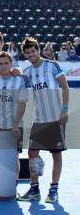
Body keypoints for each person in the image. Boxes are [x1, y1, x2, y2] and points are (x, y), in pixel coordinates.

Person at [17, 37, 70, 203]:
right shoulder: (28, 73)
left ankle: (54, 189)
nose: (31, 54)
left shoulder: (52, 66)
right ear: (25, 55)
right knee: (32, 153)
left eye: (33, 51)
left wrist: (64, 110)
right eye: (27, 53)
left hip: (55, 118)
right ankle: (35, 188)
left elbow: (65, 87)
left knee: (56, 155)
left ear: (38, 50)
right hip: (39, 119)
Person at [0, 51, 29, 180]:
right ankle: (0, 185)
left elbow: (22, 104)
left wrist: (15, 125)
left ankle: (13, 186)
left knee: (14, 156)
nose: (3, 66)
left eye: (6, 63)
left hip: (16, 125)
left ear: (11, 64)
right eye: (0, 64)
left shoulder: (21, 80)